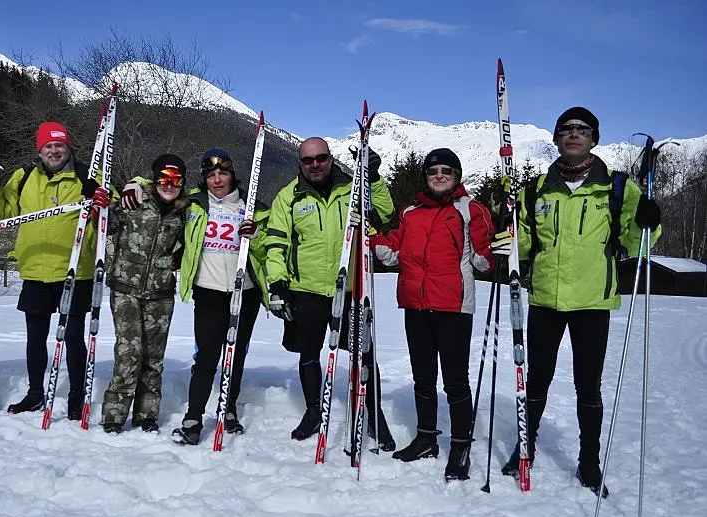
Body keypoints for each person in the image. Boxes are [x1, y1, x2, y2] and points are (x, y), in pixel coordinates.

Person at [503, 107, 660, 496]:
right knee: (535, 380)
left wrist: (649, 222)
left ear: (594, 139)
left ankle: (589, 461)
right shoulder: (535, 190)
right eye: (566, 130)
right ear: (556, 139)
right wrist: (502, 229)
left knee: (587, 387)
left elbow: (632, 240)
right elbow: (521, 244)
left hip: (592, 301)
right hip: (545, 300)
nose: (574, 134)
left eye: (582, 130)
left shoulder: (618, 188)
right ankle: (526, 447)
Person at [371, 148, 505, 481]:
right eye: (433, 171)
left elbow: (482, 261)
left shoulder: (470, 210)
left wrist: (501, 240)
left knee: (456, 383)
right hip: (416, 307)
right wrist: (372, 233)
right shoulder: (410, 213)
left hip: (453, 308)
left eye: (447, 170)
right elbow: (392, 254)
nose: (440, 175)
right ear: (426, 176)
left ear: (457, 175)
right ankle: (426, 438)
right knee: (423, 379)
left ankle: (460, 446)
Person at [265, 137, 396, 449]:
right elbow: (276, 244)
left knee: (363, 352)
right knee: (309, 353)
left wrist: (373, 179)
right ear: (300, 163)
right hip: (305, 290)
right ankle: (313, 411)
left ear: (329, 158)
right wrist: (277, 283)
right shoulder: (289, 197)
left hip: (350, 287)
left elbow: (385, 212)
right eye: (308, 160)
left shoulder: (352, 188)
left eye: (320, 158)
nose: (315, 165)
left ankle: (372, 413)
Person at [0, 121, 100, 419]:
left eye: (59, 145)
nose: (54, 150)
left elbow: (110, 208)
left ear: (68, 148)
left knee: (74, 336)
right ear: (40, 149)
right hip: (35, 269)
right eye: (48, 146)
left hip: (75, 270)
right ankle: (35, 393)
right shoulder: (23, 177)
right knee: (35, 336)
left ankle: (77, 396)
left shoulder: (87, 174)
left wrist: (99, 195)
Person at [170, 148, 270, 445]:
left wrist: (256, 236)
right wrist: (136, 184)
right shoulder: (193, 204)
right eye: (211, 175)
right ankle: (194, 416)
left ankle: (228, 409)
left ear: (232, 175)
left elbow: (266, 250)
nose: (217, 180)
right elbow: (160, 187)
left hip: (245, 291)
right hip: (209, 290)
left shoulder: (254, 208)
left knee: (235, 355)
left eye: (222, 173)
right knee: (206, 357)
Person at [100, 155, 189, 433]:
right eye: (163, 178)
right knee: (129, 353)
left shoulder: (185, 212)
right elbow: (106, 223)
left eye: (176, 180)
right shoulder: (135, 200)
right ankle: (114, 416)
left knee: (153, 357)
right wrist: (99, 207)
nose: (169, 185)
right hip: (126, 287)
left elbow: (190, 245)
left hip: (161, 292)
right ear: (153, 180)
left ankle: (146, 416)